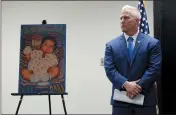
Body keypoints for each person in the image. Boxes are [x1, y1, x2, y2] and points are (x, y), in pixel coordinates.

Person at [104, 5, 162, 115]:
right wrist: (126, 84)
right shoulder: (111, 45)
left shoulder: (152, 44)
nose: (122, 21)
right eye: (121, 18)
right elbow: (110, 69)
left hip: (145, 101)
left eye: (126, 18)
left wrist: (136, 88)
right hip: (121, 103)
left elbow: (154, 68)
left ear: (137, 21)